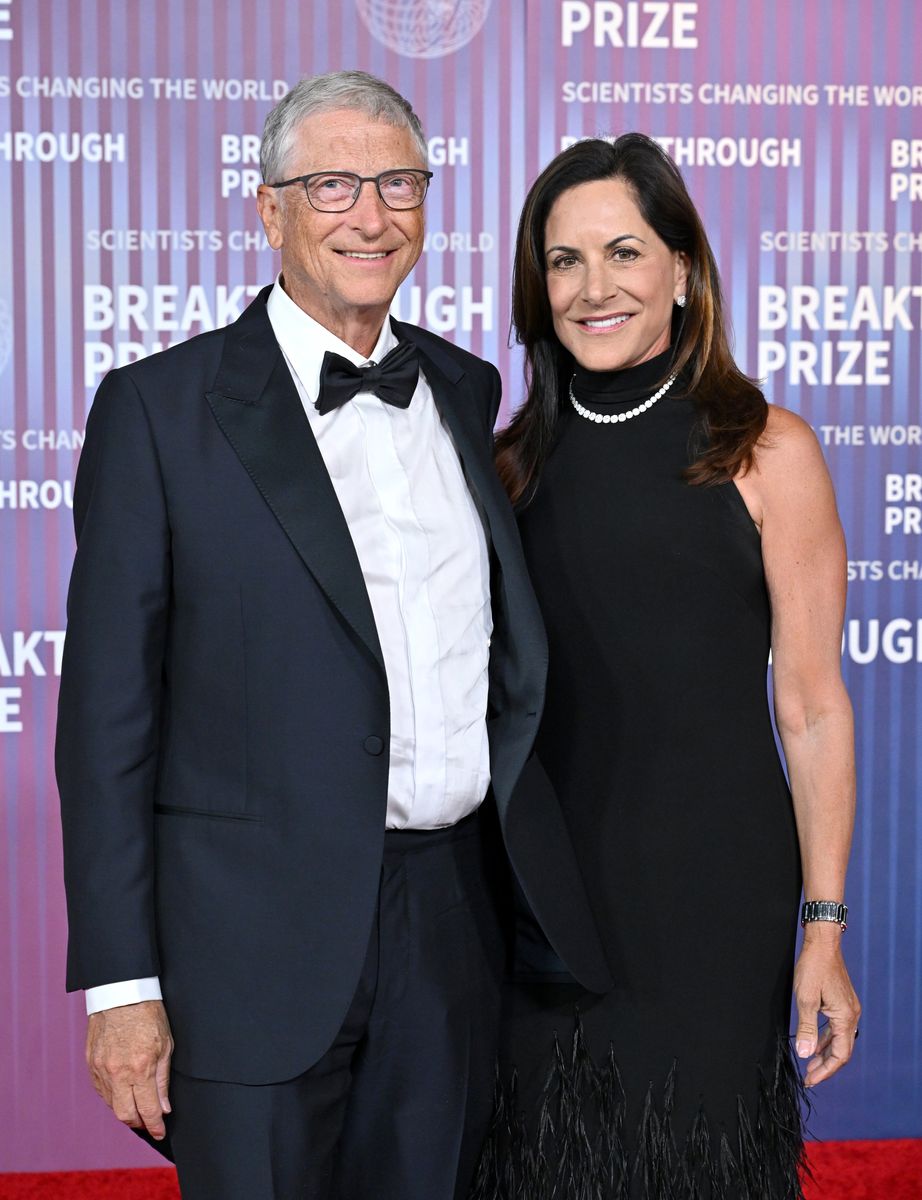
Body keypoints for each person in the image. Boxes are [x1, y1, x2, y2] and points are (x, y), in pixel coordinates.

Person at [55, 71, 610, 1200]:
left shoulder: (461, 388)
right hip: (245, 948)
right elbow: (106, 721)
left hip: (452, 924)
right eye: (332, 184)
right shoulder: (159, 412)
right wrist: (121, 986)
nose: (371, 213)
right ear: (270, 211)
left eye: (398, 181)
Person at [471, 135, 861, 1200]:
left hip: (711, 895)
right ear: (533, 284)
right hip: (538, 900)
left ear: (683, 269)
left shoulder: (763, 450)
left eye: (624, 252)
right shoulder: (505, 466)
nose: (593, 288)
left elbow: (814, 708)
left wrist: (821, 929)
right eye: (562, 261)